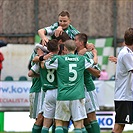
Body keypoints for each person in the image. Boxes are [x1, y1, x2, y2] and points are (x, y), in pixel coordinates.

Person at [45, 40, 98, 133]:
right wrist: (95, 54)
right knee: (78, 124)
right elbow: (94, 62)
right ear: (76, 48)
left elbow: (47, 64)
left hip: (63, 95)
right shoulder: (82, 59)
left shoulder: (59, 59)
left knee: (59, 123)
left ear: (64, 49)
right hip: (78, 96)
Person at [74, 33, 101, 133]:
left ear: (80, 43)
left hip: (87, 88)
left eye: (75, 40)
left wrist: (86, 66)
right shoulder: (74, 54)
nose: (74, 41)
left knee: (91, 116)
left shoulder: (88, 54)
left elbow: (98, 73)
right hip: (77, 89)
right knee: (83, 119)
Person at [112, 28, 133, 133]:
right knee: (119, 126)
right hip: (124, 96)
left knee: (121, 125)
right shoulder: (126, 54)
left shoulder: (127, 52)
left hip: (128, 95)